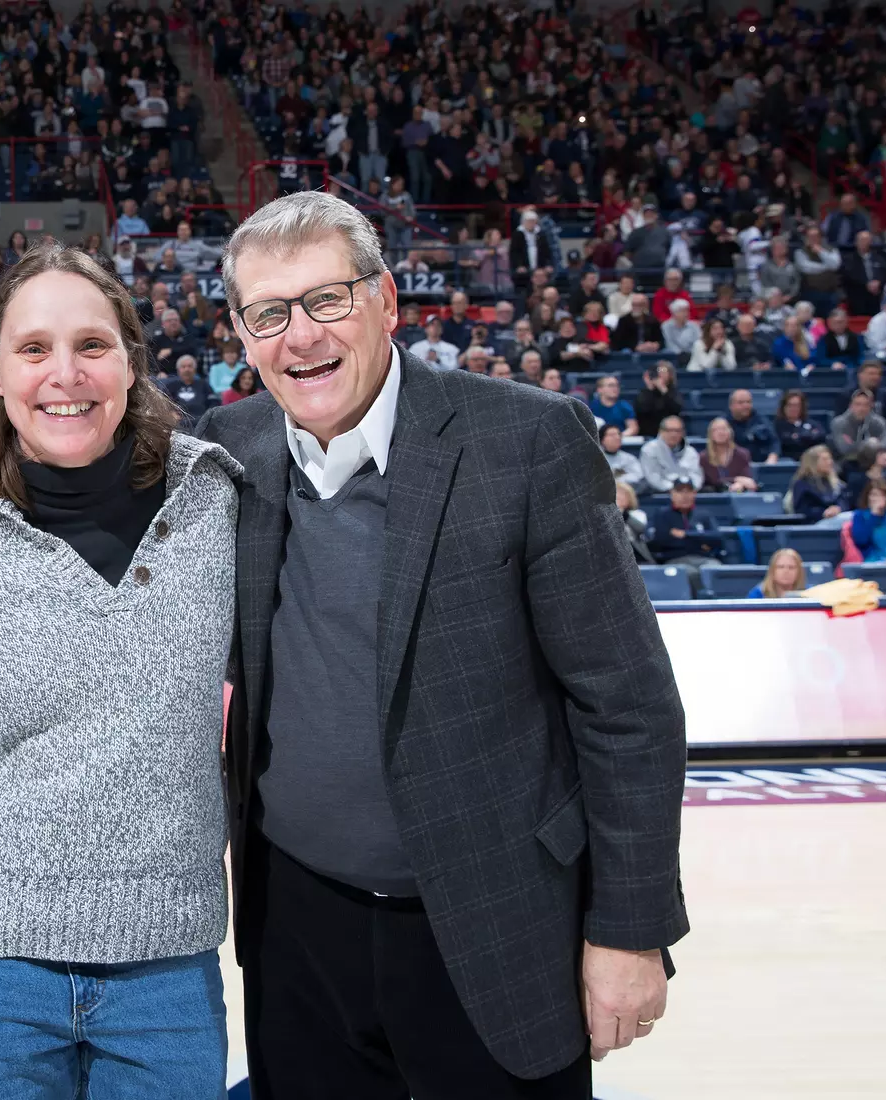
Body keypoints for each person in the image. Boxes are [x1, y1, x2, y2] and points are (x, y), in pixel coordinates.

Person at [197, 191, 684, 1098]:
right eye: (269, 314)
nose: (301, 336)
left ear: (386, 299)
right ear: (242, 335)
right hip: (298, 927)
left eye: (327, 299)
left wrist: (629, 929)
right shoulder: (229, 449)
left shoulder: (526, 440)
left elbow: (628, 707)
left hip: (498, 921)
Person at [0, 242, 238, 1098]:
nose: (65, 375)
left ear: (131, 361)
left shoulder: (215, 500)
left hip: (168, 969)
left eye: (92, 345)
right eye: (34, 348)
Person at [646, 478, 724, 576]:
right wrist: (701, 541)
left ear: (694, 493)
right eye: (680, 491)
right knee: (691, 574)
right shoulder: (662, 514)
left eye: (688, 491)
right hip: (675, 559)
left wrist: (686, 534)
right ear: (672, 494)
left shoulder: (704, 514)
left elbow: (717, 538)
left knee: (715, 569)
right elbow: (661, 540)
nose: (685, 496)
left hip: (704, 558)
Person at [640, 414, 705, 493]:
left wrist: (689, 488)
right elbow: (653, 477)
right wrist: (675, 488)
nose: (673, 434)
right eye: (669, 430)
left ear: (683, 433)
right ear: (661, 431)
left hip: (687, 492)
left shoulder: (691, 452)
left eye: (677, 431)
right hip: (660, 493)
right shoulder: (649, 449)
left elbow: (697, 476)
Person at [828, 390, 886, 461]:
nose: (862, 409)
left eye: (866, 405)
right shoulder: (840, 423)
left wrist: (857, 445)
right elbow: (846, 449)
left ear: (871, 406)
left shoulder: (879, 422)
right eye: (858, 404)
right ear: (851, 406)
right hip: (846, 461)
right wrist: (871, 444)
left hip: (873, 461)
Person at [788, 446, 848, 522]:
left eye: (830, 459)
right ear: (813, 463)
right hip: (814, 523)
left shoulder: (837, 483)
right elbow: (802, 510)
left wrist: (839, 508)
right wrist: (824, 512)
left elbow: (845, 502)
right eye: (825, 459)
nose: (830, 462)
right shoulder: (801, 484)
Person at [701, 417, 757, 492]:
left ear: (730, 432)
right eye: (716, 430)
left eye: (724, 429)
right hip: (714, 494)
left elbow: (747, 479)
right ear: (710, 434)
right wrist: (736, 479)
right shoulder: (703, 457)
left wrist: (740, 484)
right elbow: (713, 481)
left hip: (739, 493)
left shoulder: (742, 454)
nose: (720, 432)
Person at [160, 352, 214, 429]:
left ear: (195, 370)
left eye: (190, 366)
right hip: (178, 423)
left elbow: (214, 402)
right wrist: (170, 413)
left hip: (202, 421)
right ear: (178, 370)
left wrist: (208, 415)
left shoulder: (204, 385)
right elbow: (162, 403)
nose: (187, 369)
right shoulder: (170, 386)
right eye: (183, 367)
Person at [726, 389, 779, 462]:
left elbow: (774, 442)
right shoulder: (724, 423)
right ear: (731, 406)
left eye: (748, 402)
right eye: (741, 402)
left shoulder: (761, 421)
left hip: (759, 463)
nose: (746, 405)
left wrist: (772, 457)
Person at [634, 360, 683, 438]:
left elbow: (676, 409)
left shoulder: (673, 392)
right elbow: (641, 409)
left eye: (663, 371)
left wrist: (663, 389)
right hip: (647, 433)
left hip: (669, 433)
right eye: (658, 371)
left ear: (670, 374)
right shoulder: (645, 393)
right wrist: (649, 388)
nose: (660, 374)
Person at [773, 390, 827, 459]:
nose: (793, 408)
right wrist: (807, 437)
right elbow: (786, 441)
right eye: (790, 405)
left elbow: (821, 436)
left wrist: (799, 437)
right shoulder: (777, 425)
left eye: (797, 405)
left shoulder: (812, 423)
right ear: (783, 407)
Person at [601, 424, 646, 494]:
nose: (617, 437)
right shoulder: (595, 458)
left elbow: (639, 477)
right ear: (602, 439)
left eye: (619, 434)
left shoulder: (629, 458)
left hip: (625, 493)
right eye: (612, 435)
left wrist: (620, 480)